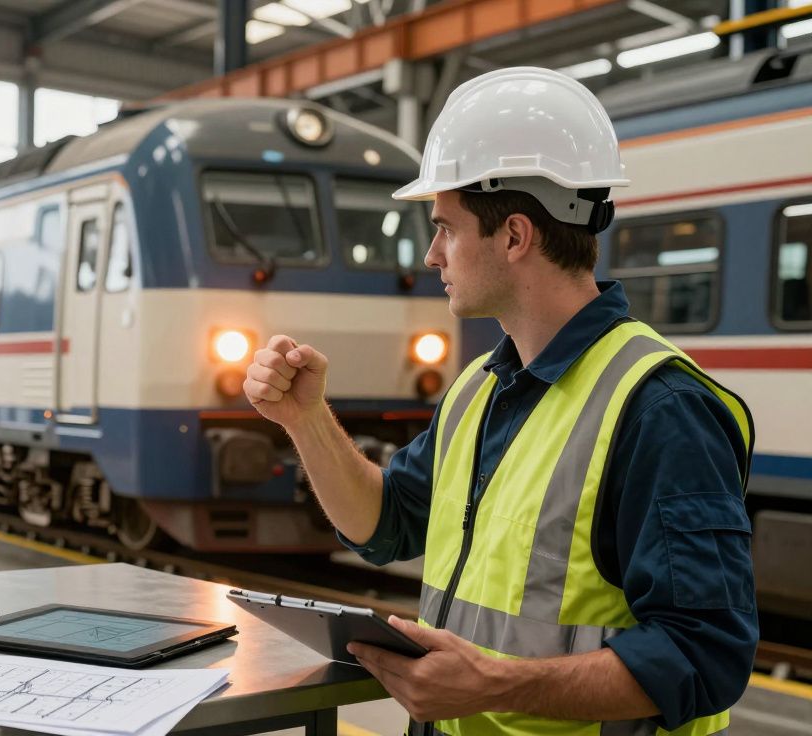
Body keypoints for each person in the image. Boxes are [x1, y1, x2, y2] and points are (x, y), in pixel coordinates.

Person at [245, 67, 755, 736]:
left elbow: (706, 654)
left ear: (514, 236)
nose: (432, 255)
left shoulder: (659, 408)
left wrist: (493, 685)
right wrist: (306, 420)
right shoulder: (481, 388)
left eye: (446, 228)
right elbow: (386, 524)